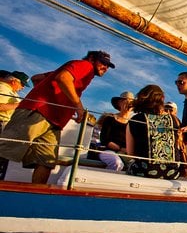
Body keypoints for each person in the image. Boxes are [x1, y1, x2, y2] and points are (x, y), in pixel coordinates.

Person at [0, 50, 114, 183]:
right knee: (6, 149)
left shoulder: (77, 70)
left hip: (52, 120)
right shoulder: (85, 65)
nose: (105, 67)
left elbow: (36, 78)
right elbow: (63, 78)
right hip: (38, 113)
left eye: (108, 66)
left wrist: (44, 94)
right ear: (92, 58)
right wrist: (78, 107)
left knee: (46, 162)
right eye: (103, 63)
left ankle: (36, 195)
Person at [126, 85, 182, 179]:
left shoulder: (136, 119)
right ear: (162, 99)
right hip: (172, 173)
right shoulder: (174, 120)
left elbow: (130, 152)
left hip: (144, 171)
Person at [0, 70, 31, 179]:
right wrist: (20, 105)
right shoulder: (2, 88)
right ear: (14, 81)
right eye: (22, 84)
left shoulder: (11, 92)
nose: (22, 87)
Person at [98, 91, 133, 171]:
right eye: (125, 101)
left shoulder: (133, 123)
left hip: (126, 154)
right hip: (109, 151)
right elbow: (104, 139)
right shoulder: (109, 119)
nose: (128, 104)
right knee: (117, 163)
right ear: (119, 103)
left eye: (131, 102)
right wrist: (120, 148)